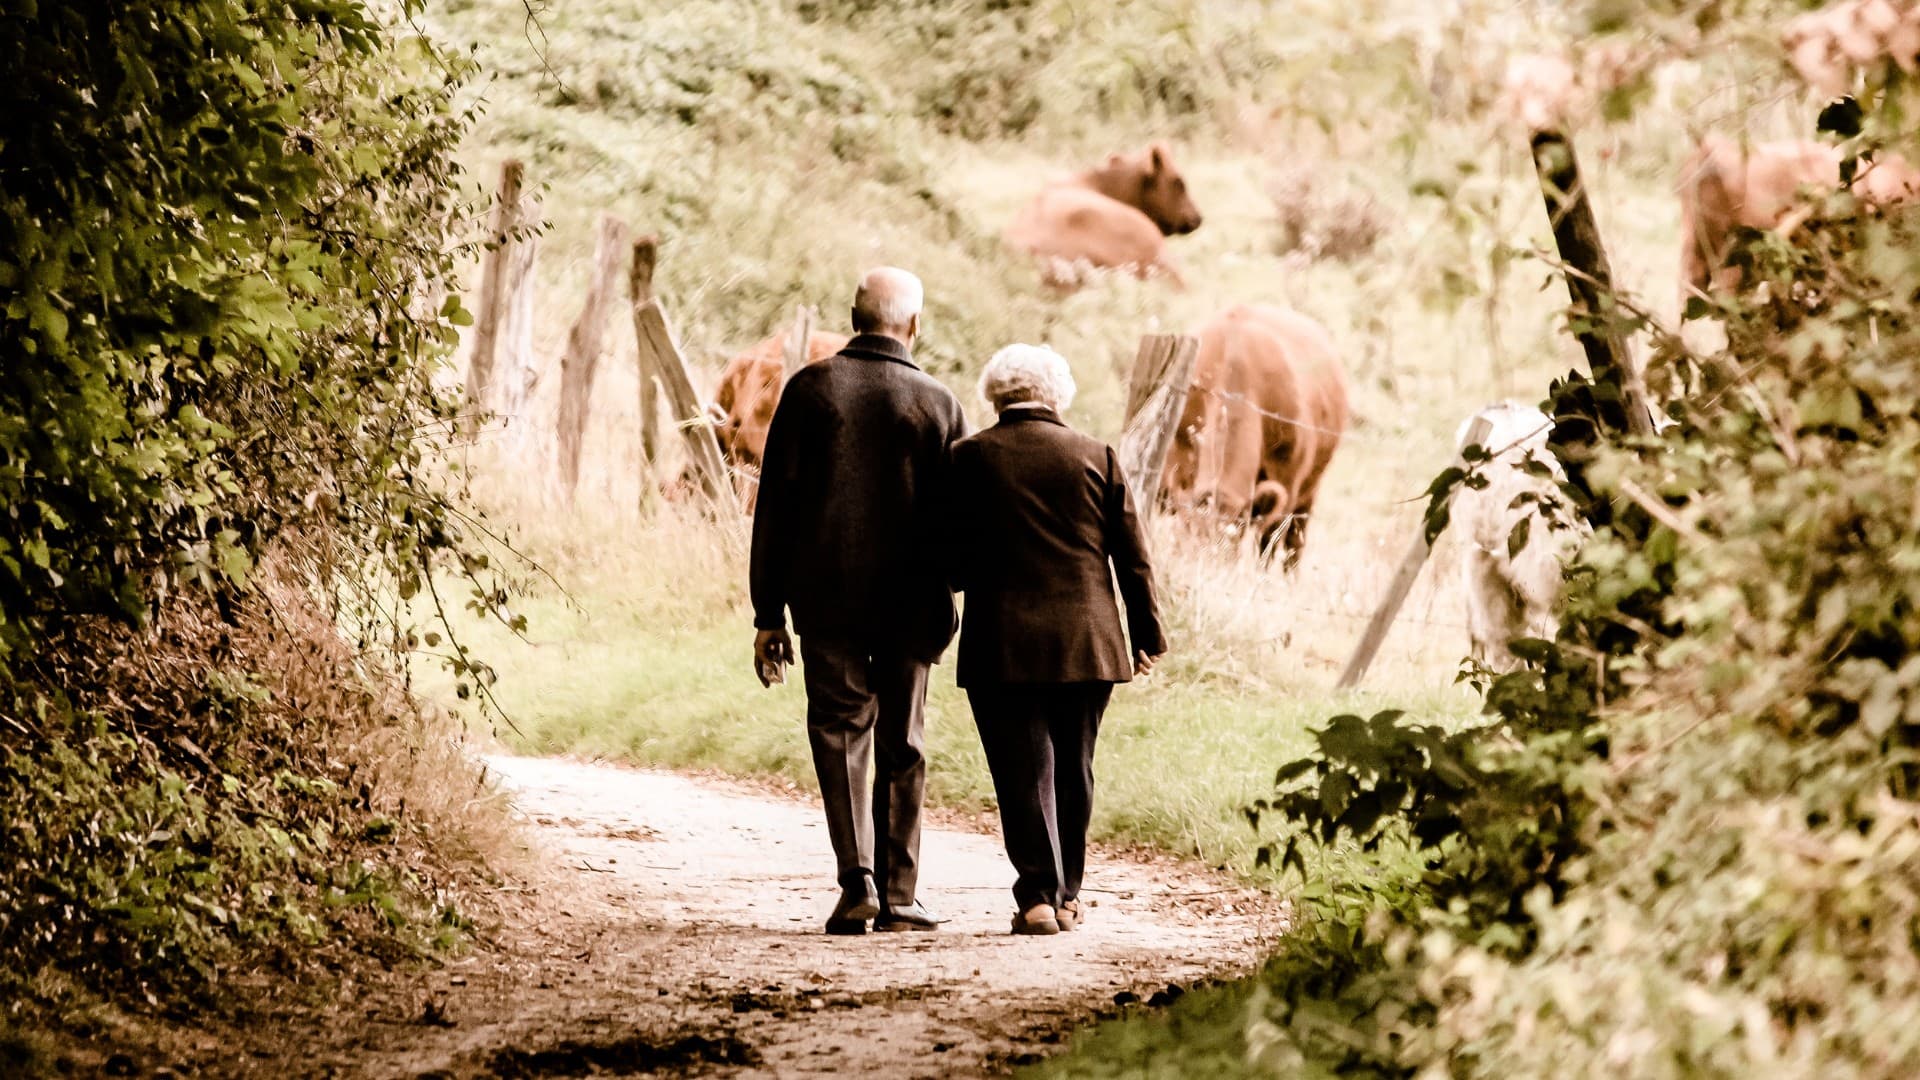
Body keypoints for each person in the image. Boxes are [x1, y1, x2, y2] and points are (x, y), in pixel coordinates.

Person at [748, 267, 967, 935]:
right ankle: (902, 896)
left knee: (840, 734)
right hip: (913, 603)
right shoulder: (937, 402)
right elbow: (959, 518)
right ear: (915, 326)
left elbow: (774, 510)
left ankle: (857, 882)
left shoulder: (811, 391)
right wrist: (952, 588)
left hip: (827, 599)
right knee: (903, 739)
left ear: (853, 316)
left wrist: (768, 614)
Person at [948, 344, 1167, 936]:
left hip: (1002, 641)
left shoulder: (967, 458)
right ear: (1057, 394)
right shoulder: (1097, 455)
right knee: (1075, 765)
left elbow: (950, 560)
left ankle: (1037, 897)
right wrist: (1146, 633)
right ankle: (1068, 894)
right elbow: (1134, 557)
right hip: (1089, 639)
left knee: (1023, 770)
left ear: (994, 394)